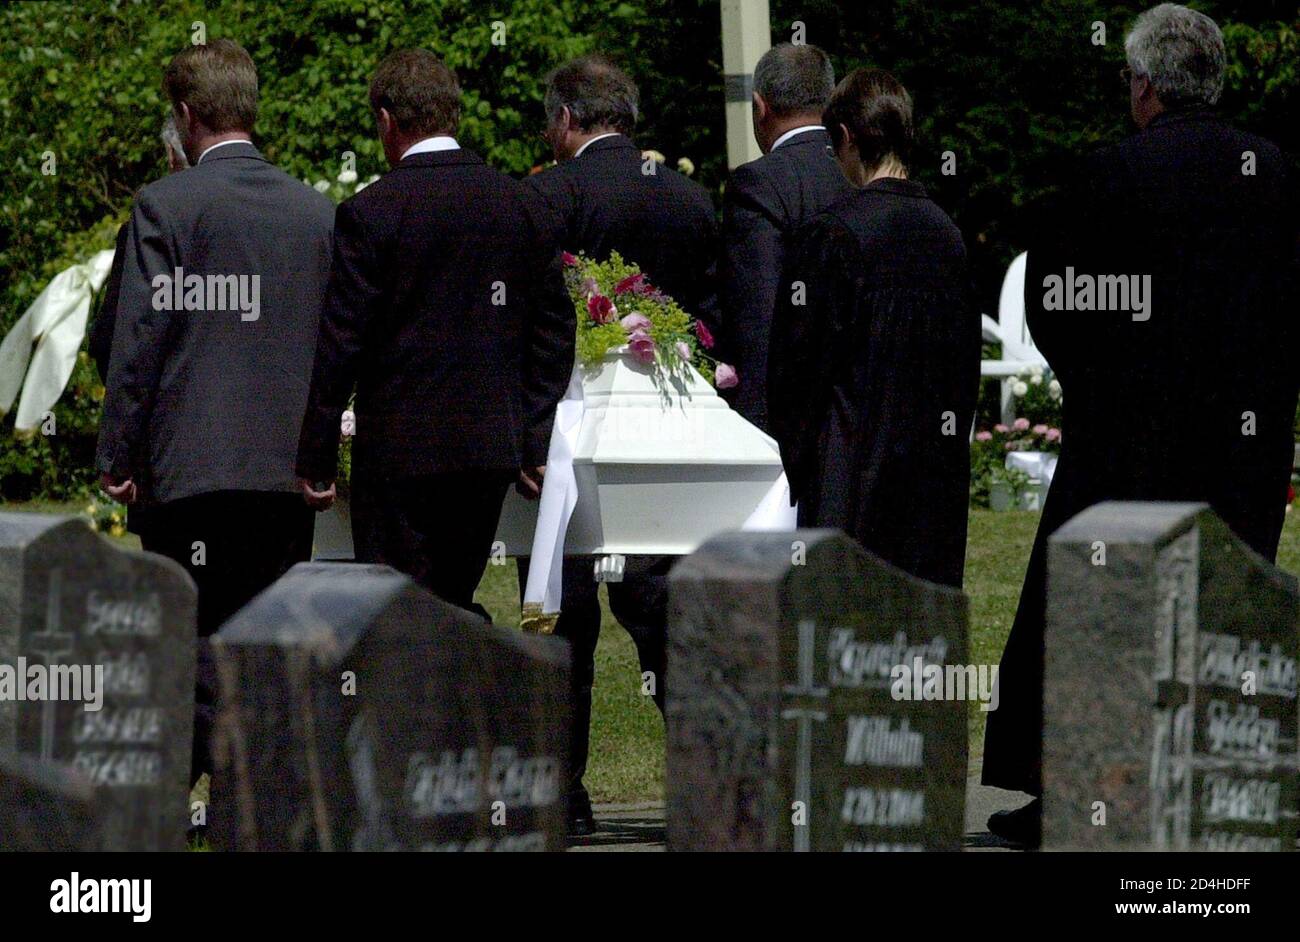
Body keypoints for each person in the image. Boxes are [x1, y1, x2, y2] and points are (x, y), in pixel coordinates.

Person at [982, 3, 1300, 846]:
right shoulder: (1270, 171)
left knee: (1094, 618)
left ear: (1148, 84)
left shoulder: (1112, 174)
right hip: (1242, 446)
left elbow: (1057, 297)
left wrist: (1101, 380)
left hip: (1133, 441)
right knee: (1225, 619)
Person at [95, 39, 335, 786]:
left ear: (187, 115)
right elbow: (335, 345)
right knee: (266, 637)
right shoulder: (315, 212)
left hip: (187, 466)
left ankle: (203, 785)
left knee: (191, 636)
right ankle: (255, 787)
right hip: (282, 468)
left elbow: (138, 341)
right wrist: (321, 452)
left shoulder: (165, 205)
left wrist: (118, 454)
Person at [295, 49, 573, 625]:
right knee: (452, 597)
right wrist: (532, 433)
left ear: (387, 122)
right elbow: (554, 330)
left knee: (396, 613)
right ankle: (462, 702)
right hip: (486, 452)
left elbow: (341, 343)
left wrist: (317, 453)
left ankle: (420, 710)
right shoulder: (521, 205)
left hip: (399, 454)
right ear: (454, 115)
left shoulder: (371, 213)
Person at [519, 54, 718, 836]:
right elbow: (708, 321)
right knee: (661, 604)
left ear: (566, 120)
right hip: (668, 432)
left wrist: (532, 435)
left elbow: (534, 330)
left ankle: (563, 796)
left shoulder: (549, 195)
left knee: (563, 617)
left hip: (574, 434)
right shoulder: (692, 199)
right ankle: (708, 779)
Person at [768, 68, 981, 590]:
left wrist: (799, 460)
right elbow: (964, 371)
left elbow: (796, 370)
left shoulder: (831, 235)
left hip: (850, 478)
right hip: (932, 481)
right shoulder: (948, 236)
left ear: (844, 139)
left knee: (846, 642)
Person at [717, 42, 850, 431]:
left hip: (791, 420)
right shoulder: (863, 174)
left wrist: (750, 427)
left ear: (759, 107)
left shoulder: (758, 183)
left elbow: (757, 312)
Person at [89, 113, 191, 544]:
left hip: (169, 470)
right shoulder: (294, 214)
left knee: (178, 602)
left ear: (172, 154)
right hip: (271, 474)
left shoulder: (150, 220)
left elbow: (121, 342)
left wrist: (120, 451)